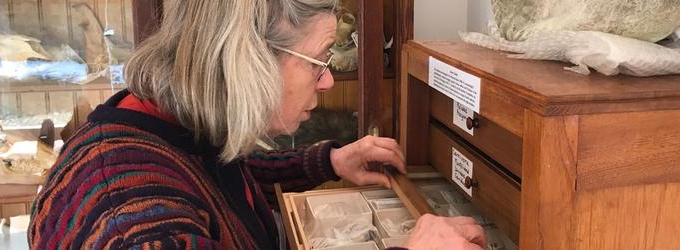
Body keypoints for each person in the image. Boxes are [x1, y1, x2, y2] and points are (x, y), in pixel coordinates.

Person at [27, 0, 487, 249]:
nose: (328, 80)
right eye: (318, 60)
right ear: (246, 62)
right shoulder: (132, 218)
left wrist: (329, 161)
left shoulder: (171, 125)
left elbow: (221, 180)